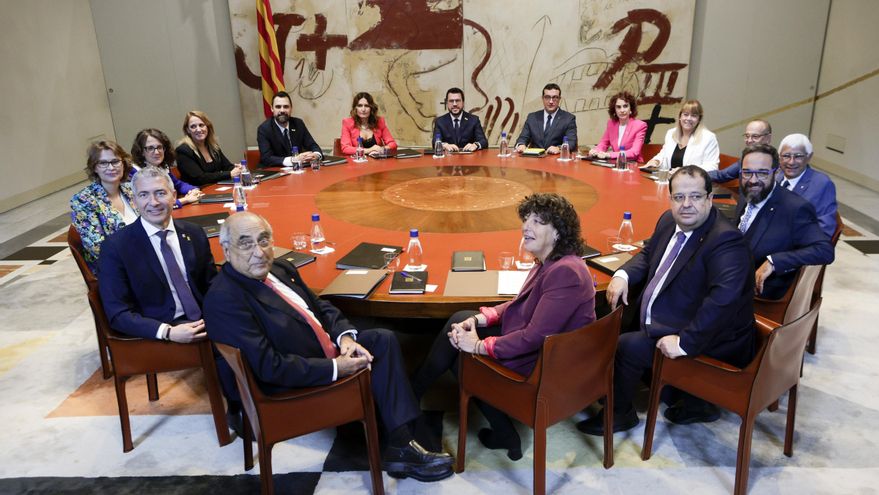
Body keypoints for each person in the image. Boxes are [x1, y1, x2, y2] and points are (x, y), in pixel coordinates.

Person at [203, 212, 454, 482]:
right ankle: (404, 440)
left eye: (264, 240)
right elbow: (270, 367)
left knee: (383, 339)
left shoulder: (280, 269)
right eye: (246, 243)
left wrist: (344, 338)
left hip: (315, 350)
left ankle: (400, 440)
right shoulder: (224, 299)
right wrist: (336, 367)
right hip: (290, 386)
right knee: (381, 352)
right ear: (226, 251)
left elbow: (321, 307)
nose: (259, 251)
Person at [410, 193, 596, 460]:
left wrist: (478, 345)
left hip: (545, 365)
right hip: (542, 348)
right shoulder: (552, 262)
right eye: (526, 220)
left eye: (537, 222)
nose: (526, 227)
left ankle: (413, 394)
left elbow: (533, 338)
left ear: (557, 232)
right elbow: (519, 303)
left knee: (461, 353)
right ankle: (418, 393)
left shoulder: (565, 272)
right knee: (460, 322)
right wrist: (480, 319)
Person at [578, 166, 755, 435]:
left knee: (626, 345)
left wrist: (685, 342)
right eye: (679, 197)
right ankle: (617, 388)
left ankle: (620, 414)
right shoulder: (669, 221)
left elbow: (724, 302)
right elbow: (648, 253)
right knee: (610, 314)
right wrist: (623, 274)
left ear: (709, 199)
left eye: (695, 197)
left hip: (712, 339)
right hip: (675, 313)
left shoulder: (726, 241)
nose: (686, 205)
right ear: (670, 198)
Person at [98, 166, 214, 343]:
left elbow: (211, 284)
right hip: (162, 329)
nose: (153, 202)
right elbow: (118, 314)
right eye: (144, 195)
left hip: (206, 318)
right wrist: (167, 332)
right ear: (134, 201)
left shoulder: (194, 233)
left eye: (160, 193)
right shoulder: (115, 247)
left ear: (174, 196)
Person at [735, 144, 834, 300]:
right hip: (732, 276)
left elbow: (824, 250)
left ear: (776, 173)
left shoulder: (795, 208)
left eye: (762, 173)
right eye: (747, 172)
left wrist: (773, 262)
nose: (753, 180)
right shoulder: (746, 191)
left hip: (757, 295)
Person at [70, 140, 138, 275]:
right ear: (94, 167)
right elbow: (98, 248)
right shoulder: (83, 200)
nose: (111, 168)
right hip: (114, 270)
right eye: (103, 163)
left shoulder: (132, 190)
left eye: (115, 161)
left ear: (123, 163)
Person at [777, 133, 838, 237]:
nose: (791, 162)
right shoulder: (776, 176)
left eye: (798, 156)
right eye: (786, 156)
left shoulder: (822, 184)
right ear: (779, 157)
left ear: (809, 157)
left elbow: (824, 230)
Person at [130, 128, 202, 207]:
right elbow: (155, 205)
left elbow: (178, 185)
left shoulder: (162, 167)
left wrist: (193, 190)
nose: (157, 152)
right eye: (150, 148)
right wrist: (185, 200)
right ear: (141, 151)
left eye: (159, 147)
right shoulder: (135, 173)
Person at [645, 100, 719, 171]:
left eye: (694, 115)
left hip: (693, 182)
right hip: (669, 180)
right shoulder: (671, 133)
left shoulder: (708, 137)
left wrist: (685, 171)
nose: (689, 118)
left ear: (699, 119)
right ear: (680, 117)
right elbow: (664, 154)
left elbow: (712, 167)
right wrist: (656, 161)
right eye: (686, 114)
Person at [175, 110, 242, 186]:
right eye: (193, 126)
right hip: (196, 193)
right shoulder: (183, 151)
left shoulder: (213, 146)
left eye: (201, 125)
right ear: (188, 130)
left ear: (207, 127)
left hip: (216, 189)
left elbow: (227, 166)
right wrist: (229, 174)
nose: (199, 129)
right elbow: (200, 178)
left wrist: (237, 169)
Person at [257, 90, 322, 167]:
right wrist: (293, 160)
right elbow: (266, 158)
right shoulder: (264, 129)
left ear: (291, 108)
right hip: (276, 173)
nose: (282, 110)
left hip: (299, 171)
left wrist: (316, 155)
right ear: (272, 109)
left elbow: (313, 145)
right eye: (278, 107)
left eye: (286, 107)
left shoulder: (298, 123)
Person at [515, 83, 577, 154]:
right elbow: (522, 138)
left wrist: (559, 148)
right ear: (542, 98)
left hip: (556, 160)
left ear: (559, 99)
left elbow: (571, 142)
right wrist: (521, 145)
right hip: (535, 160)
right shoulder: (532, 117)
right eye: (547, 97)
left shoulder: (568, 118)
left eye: (555, 97)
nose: (551, 101)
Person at [588, 91, 647, 162]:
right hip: (616, 164)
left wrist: (609, 155)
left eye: (625, 106)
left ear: (631, 109)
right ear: (614, 110)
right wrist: (596, 151)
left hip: (633, 165)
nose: (622, 110)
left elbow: (634, 152)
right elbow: (604, 143)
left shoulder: (640, 125)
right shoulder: (611, 124)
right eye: (618, 107)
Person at [340, 92, 398, 157]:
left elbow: (392, 144)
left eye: (367, 106)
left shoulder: (379, 122)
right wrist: (370, 150)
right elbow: (345, 148)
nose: (363, 109)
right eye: (360, 106)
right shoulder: (347, 123)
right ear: (355, 108)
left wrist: (381, 149)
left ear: (371, 108)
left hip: (377, 163)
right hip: (357, 162)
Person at [433, 87, 488, 152]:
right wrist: (444, 145)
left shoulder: (473, 120)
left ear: (463, 102)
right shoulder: (440, 121)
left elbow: (483, 142)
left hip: (469, 160)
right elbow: (435, 142)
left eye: (457, 100)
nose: (454, 104)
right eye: (451, 101)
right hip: (448, 160)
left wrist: (475, 145)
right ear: (447, 103)